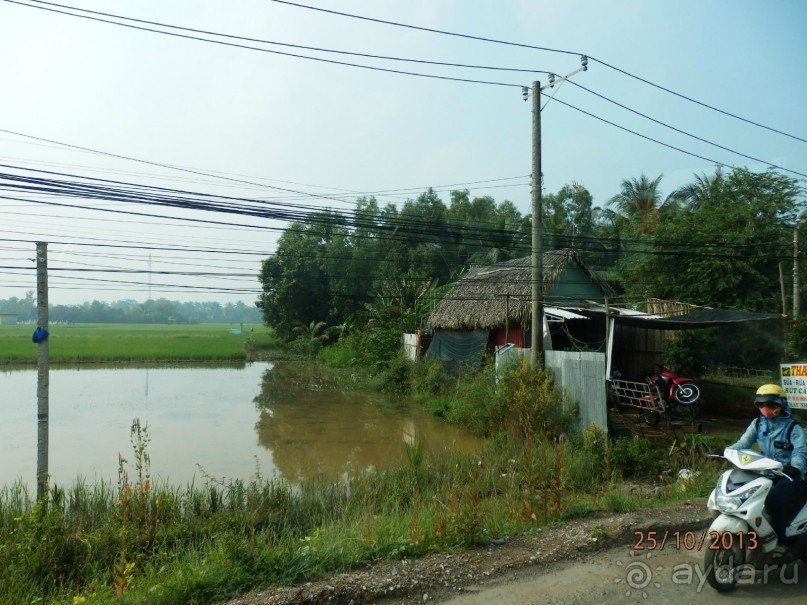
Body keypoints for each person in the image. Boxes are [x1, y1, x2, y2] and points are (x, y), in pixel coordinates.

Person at [727, 383, 807, 544]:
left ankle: (780, 538)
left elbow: (800, 452)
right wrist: (726, 451)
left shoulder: (793, 428)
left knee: (773, 500)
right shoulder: (757, 423)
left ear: (782, 404)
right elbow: (743, 443)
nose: (766, 408)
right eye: (761, 405)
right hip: (764, 471)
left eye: (771, 404)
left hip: (788, 475)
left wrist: (795, 467)